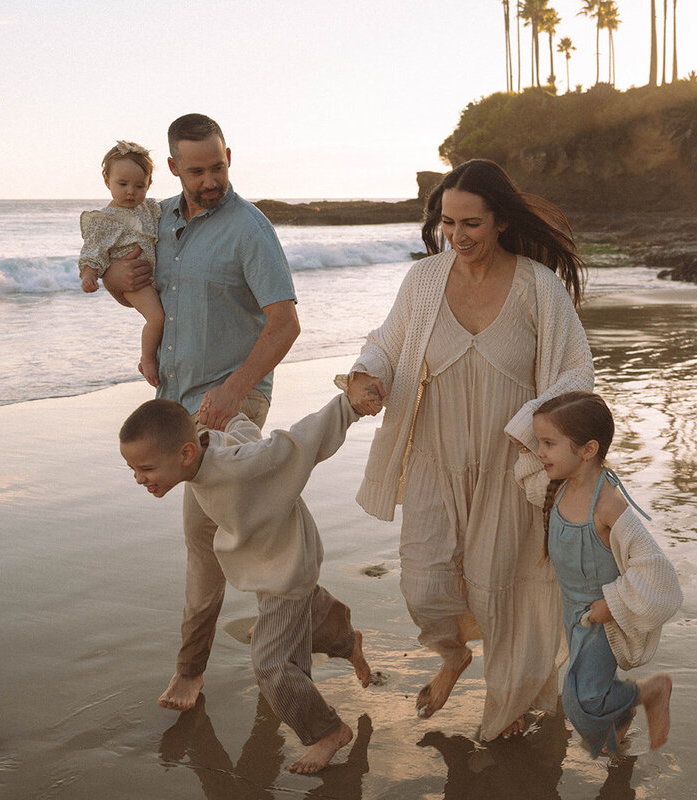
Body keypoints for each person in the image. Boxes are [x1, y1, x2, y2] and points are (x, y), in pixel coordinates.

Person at [343, 159, 593, 740]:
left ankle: (509, 708)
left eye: (472, 224)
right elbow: (387, 341)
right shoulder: (425, 279)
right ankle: (452, 655)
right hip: (434, 457)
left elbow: (576, 368)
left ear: (500, 221)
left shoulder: (538, 286)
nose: (458, 236)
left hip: (511, 466)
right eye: (449, 223)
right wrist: (364, 375)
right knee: (425, 585)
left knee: (501, 590)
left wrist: (532, 424)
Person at [97, 114, 301, 712]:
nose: (210, 180)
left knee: (203, 531)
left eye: (217, 166)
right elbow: (127, 284)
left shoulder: (250, 229)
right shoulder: (155, 221)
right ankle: (291, 637)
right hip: (176, 401)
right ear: (173, 168)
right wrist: (112, 277)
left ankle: (194, 669)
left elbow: (285, 322)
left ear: (229, 156)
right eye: (196, 170)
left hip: (232, 401)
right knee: (240, 529)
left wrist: (237, 390)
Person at [119, 392, 376, 773]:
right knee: (306, 613)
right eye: (134, 470)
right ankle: (346, 642)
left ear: (186, 454)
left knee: (270, 662)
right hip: (270, 560)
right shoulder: (207, 449)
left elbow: (299, 442)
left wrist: (349, 406)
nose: (141, 479)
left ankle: (328, 731)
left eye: (148, 469)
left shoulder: (239, 465)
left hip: (285, 567)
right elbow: (241, 428)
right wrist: (231, 413)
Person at [532, 391, 681, 756]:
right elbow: (520, 460)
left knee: (581, 698)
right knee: (584, 694)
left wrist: (612, 605)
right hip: (573, 613)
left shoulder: (608, 504)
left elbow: (659, 572)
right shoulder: (557, 486)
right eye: (539, 443)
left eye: (549, 444)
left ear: (587, 449)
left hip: (602, 619)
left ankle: (650, 692)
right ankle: (617, 735)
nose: (540, 452)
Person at [78, 141, 165, 387]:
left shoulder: (149, 207)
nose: (131, 192)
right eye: (123, 184)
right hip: (134, 282)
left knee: (162, 318)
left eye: (139, 186)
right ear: (107, 181)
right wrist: (89, 274)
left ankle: (154, 354)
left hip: (151, 276)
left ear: (149, 184)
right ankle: (147, 360)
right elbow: (93, 251)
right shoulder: (104, 220)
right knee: (157, 318)